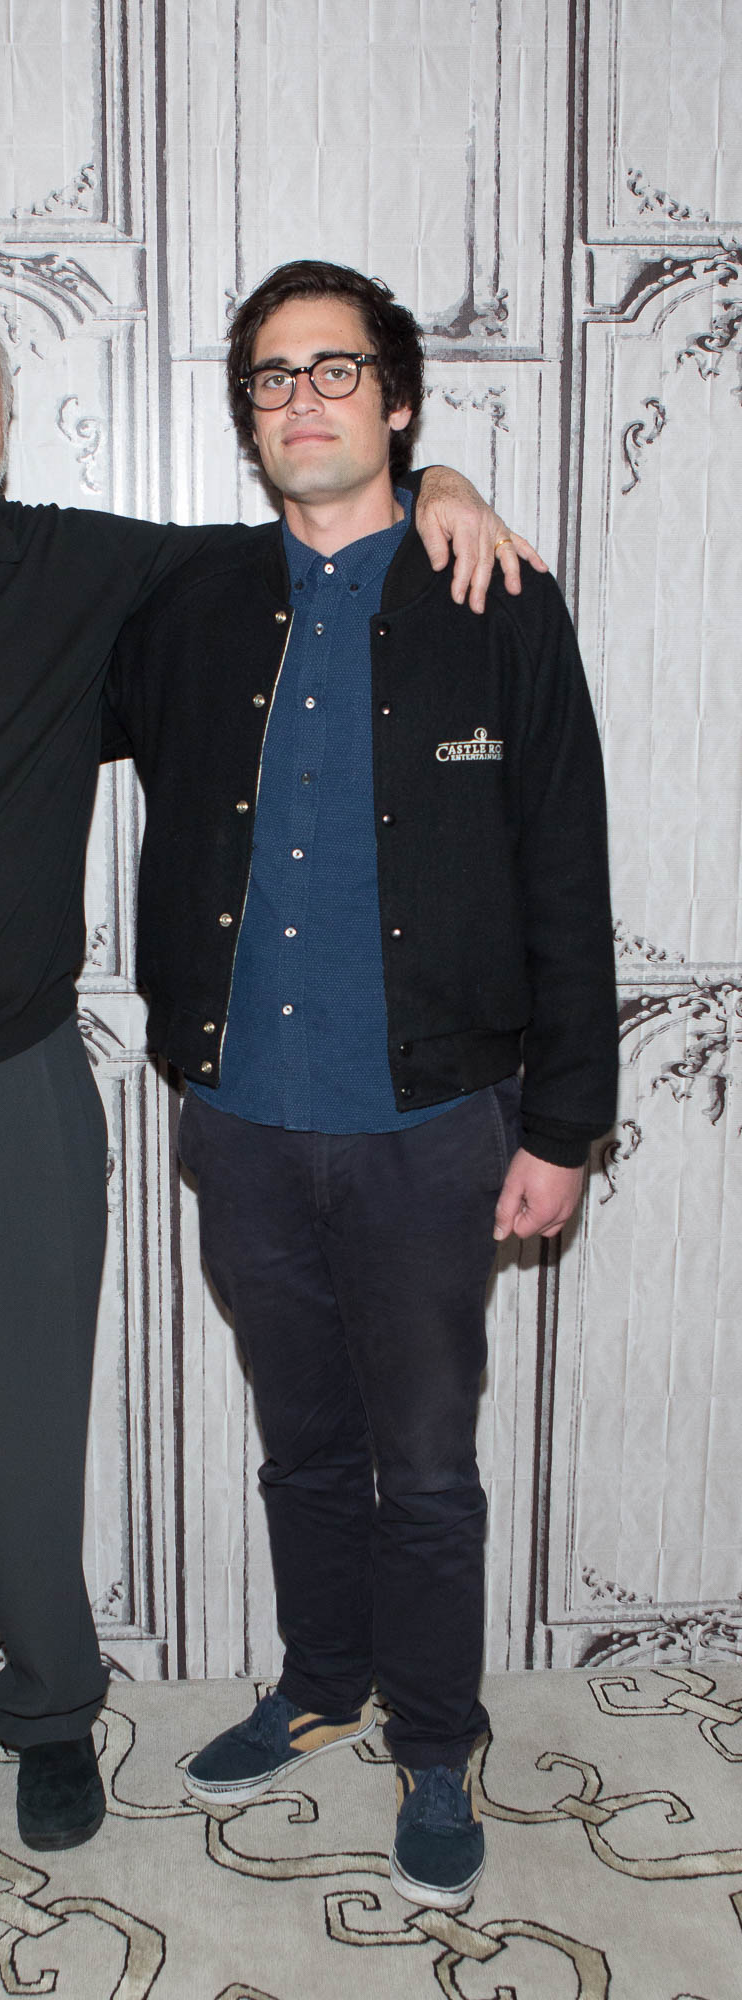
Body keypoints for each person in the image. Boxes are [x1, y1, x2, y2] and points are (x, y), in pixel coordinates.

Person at [0, 288, 536, 1871]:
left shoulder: (87, 574)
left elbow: (304, 528)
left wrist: (445, 489)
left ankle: (52, 1717)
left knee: (30, 1449)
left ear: (7, 418)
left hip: (16, 1097)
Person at [105, 260, 617, 1911]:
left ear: (398, 402)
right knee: (301, 1444)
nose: (302, 397)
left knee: (430, 1462)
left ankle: (439, 1746)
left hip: (433, 1128)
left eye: (336, 371)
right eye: (270, 377)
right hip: (242, 1121)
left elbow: (567, 871)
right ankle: (321, 1681)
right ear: (247, 418)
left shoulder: (502, 601)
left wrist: (563, 1127)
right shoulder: (187, 600)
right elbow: (2, 587)